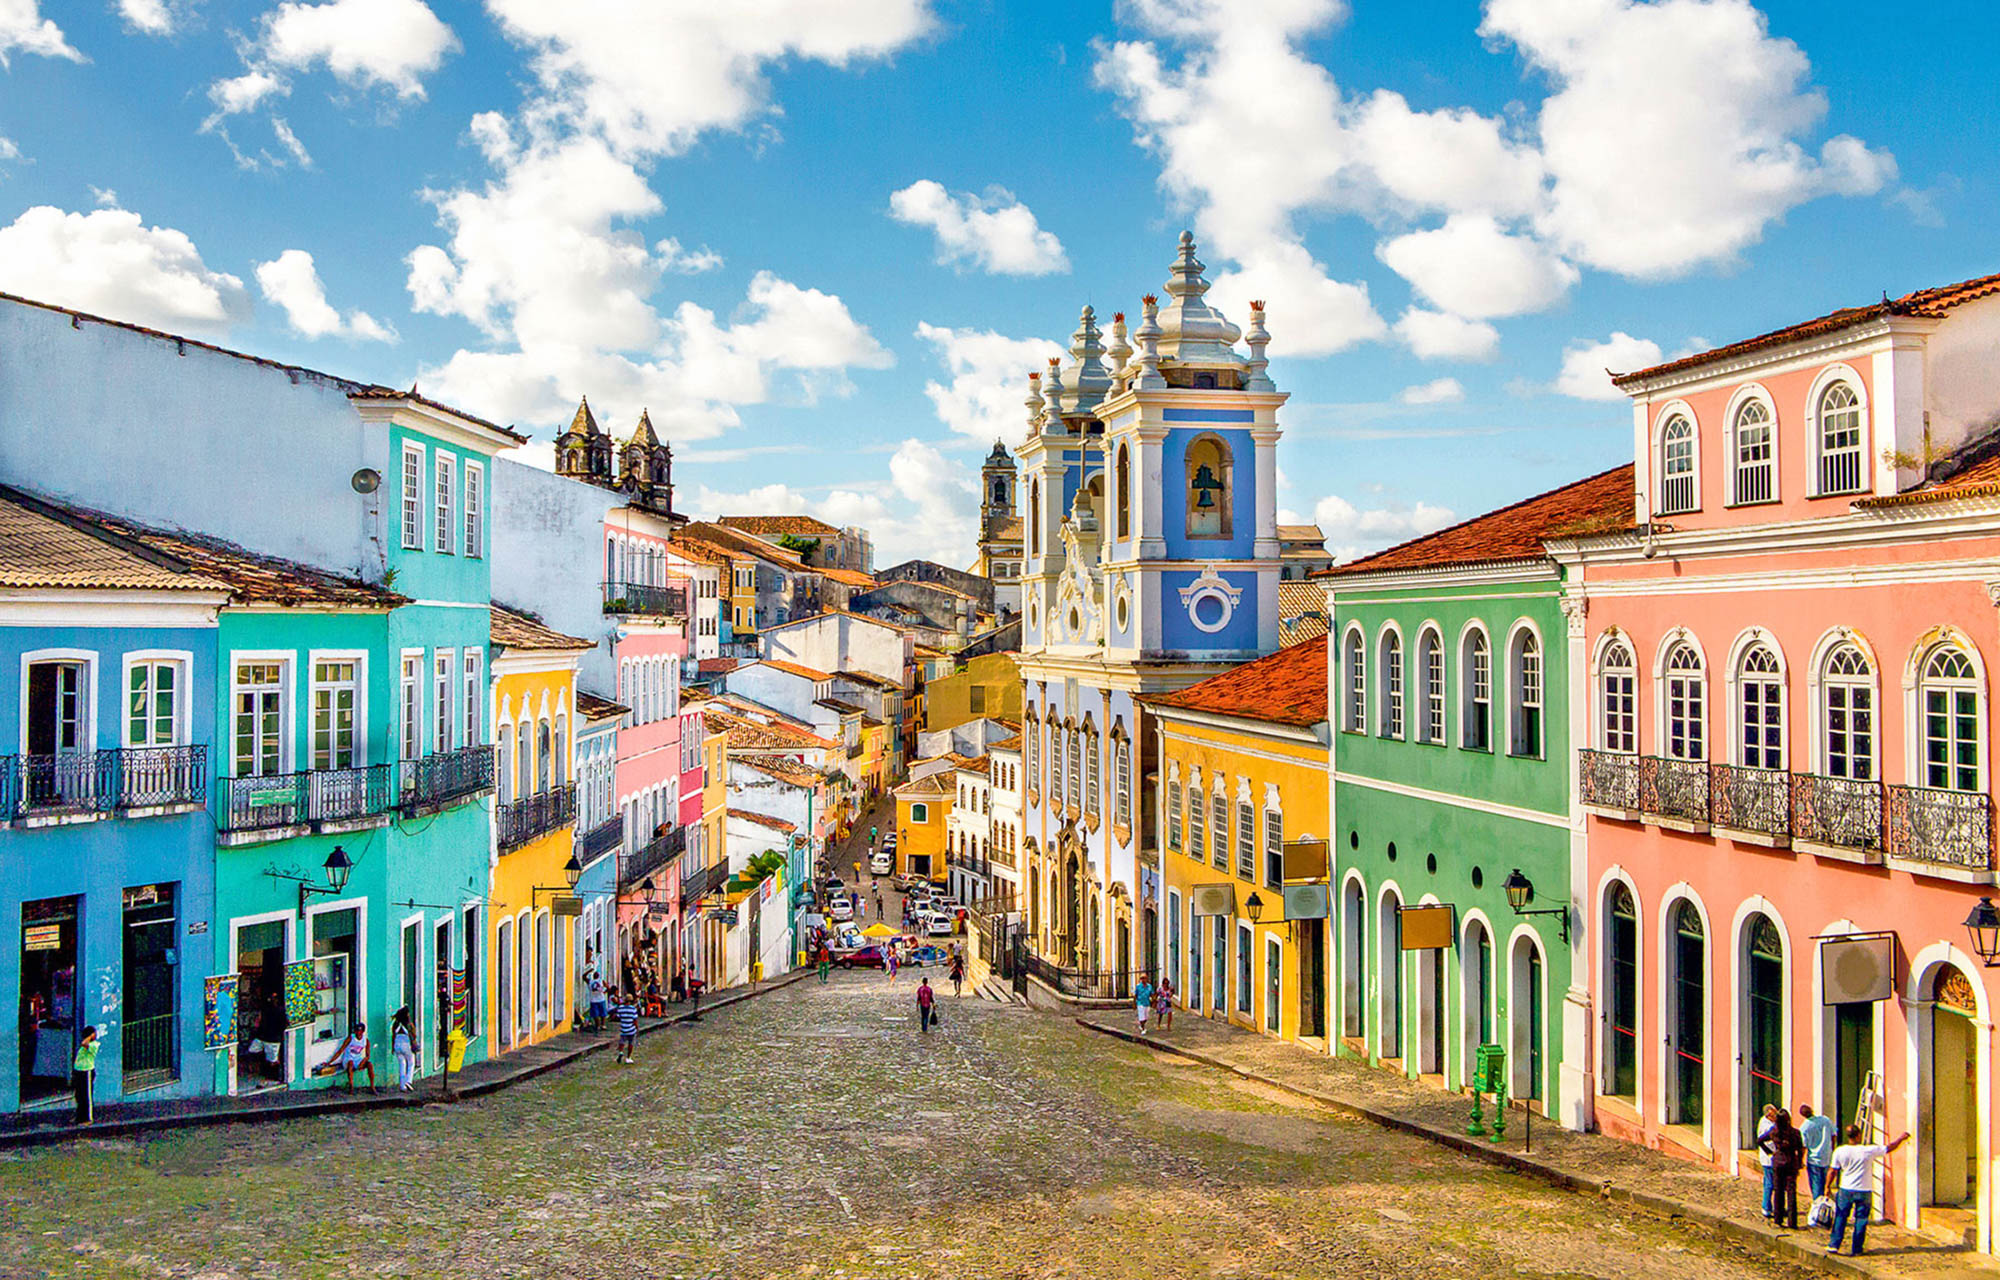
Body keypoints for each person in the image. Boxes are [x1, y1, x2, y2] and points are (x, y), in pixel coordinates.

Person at [1827, 1125, 1909, 1256]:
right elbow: (1889, 1148)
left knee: (1841, 1217)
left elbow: (1833, 1171)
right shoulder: (1868, 1151)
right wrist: (1901, 1138)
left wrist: (1827, 1187)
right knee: (1861, 1220)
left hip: (1846, 1189)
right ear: (1858, 1135)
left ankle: (1834, 1245)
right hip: (1864, 1190)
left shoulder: (1839, 1151)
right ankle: (1857, 1248)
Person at [1760, 1108, 1804, 1229]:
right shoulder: (1795, 1133)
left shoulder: (1774, 1132)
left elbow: (1760, 1140)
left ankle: (1778, 1219)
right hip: (1791, 1162)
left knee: (1778, 1190)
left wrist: (1770, 1152)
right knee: (1791, 1192)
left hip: (1778, 1161)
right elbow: (1800, 1149)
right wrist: (1799, 1162)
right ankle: (1792, 1221)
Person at [246, 989, 287, 1078]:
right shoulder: (267, 1009)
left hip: (272, 1038)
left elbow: (283, 1025)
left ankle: (274, 1075)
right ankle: (263, 1070)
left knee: (273, 1060)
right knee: (253, 1051)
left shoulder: (280, 1011)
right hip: (263, 1036)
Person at [1799, 1104, 1834, 1200]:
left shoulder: (1804, 1128)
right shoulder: (1825, 1120)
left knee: (1816, 1186)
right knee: (1826, 1184)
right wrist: (1832, 1149)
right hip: (1826, 1157)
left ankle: (1817, 1206)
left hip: (1813, 1159)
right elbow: (1833, 1135)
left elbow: (1804, 1146)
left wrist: (1801, 1160)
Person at [331, 1020, 376, 1093]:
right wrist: (330, 1062)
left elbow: (368, 1055)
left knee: (370, 1065)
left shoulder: (366, 1041)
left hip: (358, 1060)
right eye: (357, 1031)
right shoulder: (350, 1038)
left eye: (360, 1031)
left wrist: (363, 1062)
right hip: (348, 1059)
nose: (358, 1033)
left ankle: (372, 1086)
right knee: (350, 1063)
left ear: (363, 1032)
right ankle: (351, 1086)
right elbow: (340, 1050)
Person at [71, 1025, 99, 1124]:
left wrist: (90, 1037)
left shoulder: (94, 1044)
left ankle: (88, 1118)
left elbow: (84, 1043)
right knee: (79, 1095)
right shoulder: (86, 1045)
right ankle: (80, 1116)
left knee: (86, 1096)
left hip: (87, 1071)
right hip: (79, 1071)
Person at [1755, 1103, 1779, 1221]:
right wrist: (1772, 1152)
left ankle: (1768, 1206)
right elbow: (1766, 1142)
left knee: (1768, 1183)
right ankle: (1766, 1207)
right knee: (1770, 1184)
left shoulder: (1766, 1122)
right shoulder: (1767, 1126)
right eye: (1774, 1112)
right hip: (1769, 1159)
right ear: (1769, 1114)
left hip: (1768, 1158)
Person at [390, 1006, 418, 1093]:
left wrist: (392, 1047)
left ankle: (402, 1086)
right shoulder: (409, 1024)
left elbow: (393, 1036)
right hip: (406, 1045)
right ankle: (408, 1081)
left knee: (402, 1065)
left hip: (397, 1045)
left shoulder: (395, 1024)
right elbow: (413, 1035)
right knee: (411, 1063)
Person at [613, 990, 640, 1063]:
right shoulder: (633, 1009)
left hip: (623, 1028)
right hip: (631, 1029)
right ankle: (628, 1057)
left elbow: (618, 1017)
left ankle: (621, 1052)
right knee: (630, 1043)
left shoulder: (621, 1008)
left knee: (622, 1042)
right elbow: (635, 1020)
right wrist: (637, 1028)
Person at [588, 968, 610, 1032]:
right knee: (598, 1014)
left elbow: (608, 987)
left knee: (600, 1014)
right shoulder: (594, 981)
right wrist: (604, 992)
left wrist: (604, 993)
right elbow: (608, 988)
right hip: (597, 999)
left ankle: (600, 1025)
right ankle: (599, 1025)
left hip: (597, 999)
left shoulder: (597, 981)